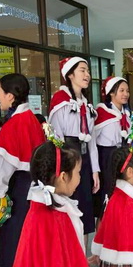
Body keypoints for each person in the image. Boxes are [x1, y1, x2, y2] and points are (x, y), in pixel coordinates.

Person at [0, 73, 46, 267]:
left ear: (10, 96)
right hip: (34, 190)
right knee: (32, 249)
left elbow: (1, 171)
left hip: (18, 191)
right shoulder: (31, 119)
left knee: (18, 251)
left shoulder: (14, 124)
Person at [49, 57, 100, 242]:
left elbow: (91, 140)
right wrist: (63, 167)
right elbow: (56, 137)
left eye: (88, 71)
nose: (87, 75)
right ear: (70, 74)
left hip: (84, 159)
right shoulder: (60, 101)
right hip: (68, 160)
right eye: (82, 70)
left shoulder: (86, 103)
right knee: (69, 208)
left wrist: (95, 171)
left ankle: (83, 257)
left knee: (84, 210)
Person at [94, 76, 131, 214]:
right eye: (121, 90)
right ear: (111, 93)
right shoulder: (102, 113)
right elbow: (92, 140)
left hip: (123, 156)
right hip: (106, 159)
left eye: (127, 90)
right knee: (107, 195)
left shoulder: (126, 114)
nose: (125, 94)